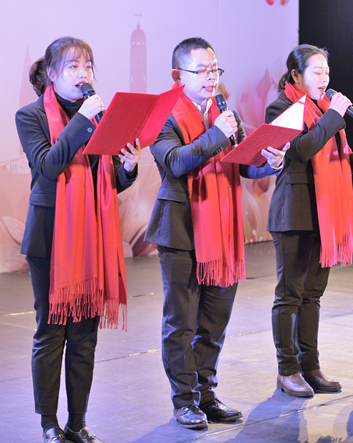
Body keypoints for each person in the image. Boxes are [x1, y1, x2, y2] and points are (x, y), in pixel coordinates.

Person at [144, 37, 287, 430]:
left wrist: (270, 162)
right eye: (203, 71)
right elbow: (175, 162)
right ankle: (184, 401)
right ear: (178, 76)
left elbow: (242, 163)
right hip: (181, 231)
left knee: (214, 321)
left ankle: (206, 394)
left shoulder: (224, 112)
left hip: (223, 230)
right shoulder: (162, 114)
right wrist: (217, 135)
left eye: (215, 70)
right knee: (181, 323)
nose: (211, 78)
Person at [16, 37, 141, 443]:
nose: (83, 73)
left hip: (93, 236)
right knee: (52, 332)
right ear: (52, 74)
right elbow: (48, 166)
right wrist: (83, 122)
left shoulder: (101, 117)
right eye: (72, 66)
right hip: (50, 238)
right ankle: (49, 424)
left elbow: (109, 181)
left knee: (85, 334)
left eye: (87, 65)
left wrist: (128, 168)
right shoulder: (31, 115)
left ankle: (77, 422)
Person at [266, 44, 353, 397]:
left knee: (312, 296)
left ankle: (310, 366)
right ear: (296, 75)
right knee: (290, 295)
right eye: (317, 71)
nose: (324, 78)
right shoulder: (281, 107)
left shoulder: (323, 109)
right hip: (294, 213)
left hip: (325, 211)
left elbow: (335, 160)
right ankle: (287, 369)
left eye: (327, 71)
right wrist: (333, 116)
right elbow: (301, 150)